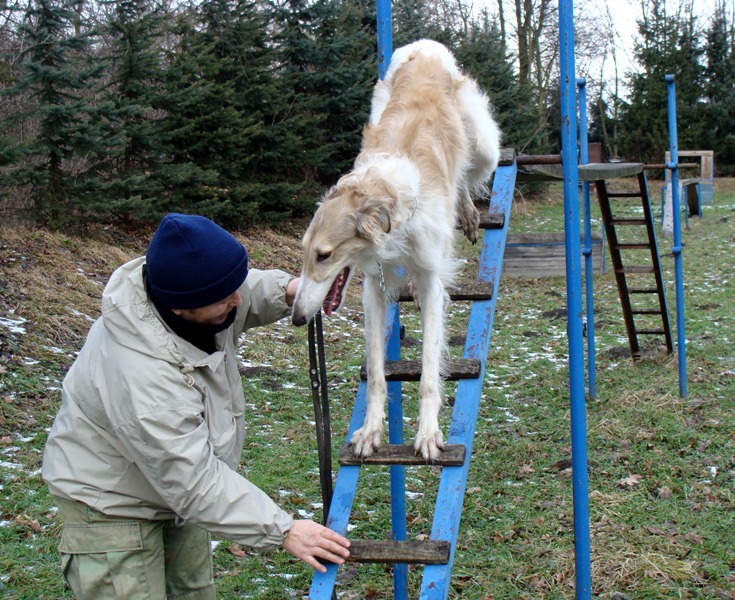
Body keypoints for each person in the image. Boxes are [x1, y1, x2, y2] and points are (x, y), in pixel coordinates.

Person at [42, 213, 350, 599]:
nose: (237, 301)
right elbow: (193, 481)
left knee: (193, 593)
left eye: (233, 287)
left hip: (173, 495)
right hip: (111, 507)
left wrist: (289, 289)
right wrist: (284, 529)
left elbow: (239, 292)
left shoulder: (184, 292)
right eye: (224, 299)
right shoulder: (144, 377)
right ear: (180, 309)